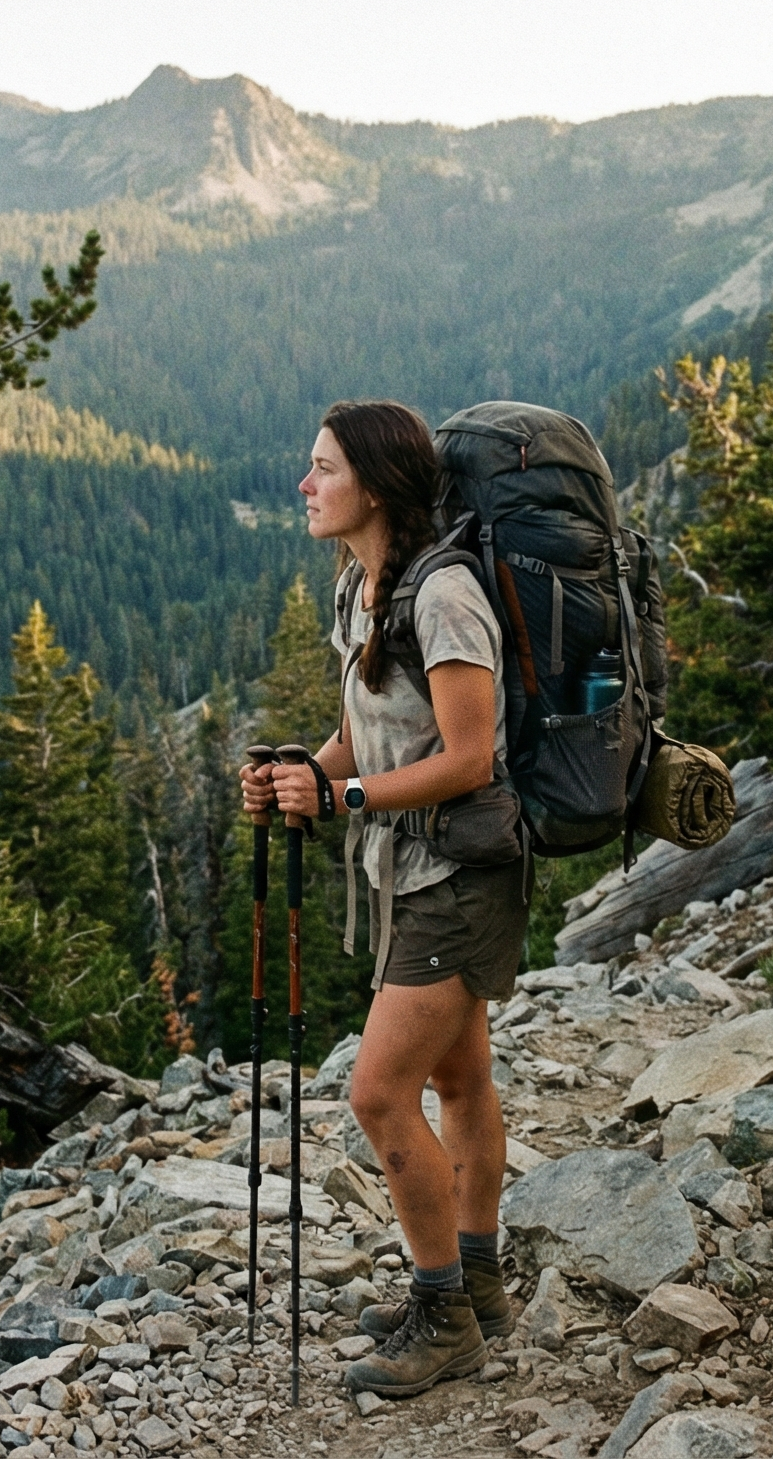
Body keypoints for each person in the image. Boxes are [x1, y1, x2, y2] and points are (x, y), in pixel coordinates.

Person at [240, 398, 526, 1398]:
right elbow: (366, 734)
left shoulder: (442, 596)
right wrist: (302, 780)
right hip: (411, 872)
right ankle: (479, 1287)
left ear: (375, 483)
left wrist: (343, 795)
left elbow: (469, 755)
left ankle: (443, 1317)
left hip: (462, 874)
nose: (305, 485)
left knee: (375, 1093)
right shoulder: (366, 587)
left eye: (322, 468)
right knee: (458, 1081)